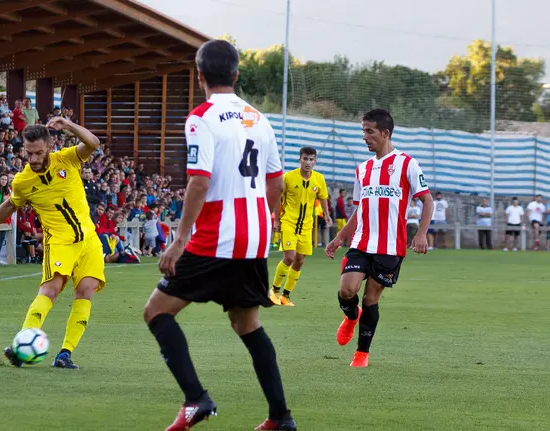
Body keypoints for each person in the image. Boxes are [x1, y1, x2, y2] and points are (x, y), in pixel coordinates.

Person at [141, 40, 295, 431]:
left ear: (199, 76)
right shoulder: (259, 119)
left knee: (157, 311)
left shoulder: (201, 118)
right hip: (255, 237)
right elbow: (276, 182)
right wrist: (266, 221)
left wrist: (178, 241)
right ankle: (280, 417)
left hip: (217, 237)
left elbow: (198, 181)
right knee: (247, 324)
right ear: (237, 74)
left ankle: (196, 400)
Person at [0, 119, 104, 370]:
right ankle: (21, 344)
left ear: (50, 146)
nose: (33, 158)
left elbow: (93, 143)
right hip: (60, 241)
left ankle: (65, 354)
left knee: (85, 292)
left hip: (88, 239)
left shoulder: (67, 159)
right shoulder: (22, 181)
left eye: (38, 153)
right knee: (51, 290)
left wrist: (68, 124)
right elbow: (9, 206)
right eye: (28, 153)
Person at [325, 109, 433, 368]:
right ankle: (351, 318)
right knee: (346, 289)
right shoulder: (362, 169)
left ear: (385, 133)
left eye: (369, 131)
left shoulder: (407, 164)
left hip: (390, 246)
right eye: (363, 131)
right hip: (361, 242)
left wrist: (420, 234)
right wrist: (340, 237)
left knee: (371, 298)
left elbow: (427, 201)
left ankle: (361, 354)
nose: (364, 137)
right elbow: (359, 208)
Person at [270, 146, 331, 307]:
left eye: (311, 159)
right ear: (300, 160)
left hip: (306, 227)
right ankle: (274, 290)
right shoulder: (288, 177)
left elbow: (323, 197)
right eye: (305, 159)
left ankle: (285, 295)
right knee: (289, 258)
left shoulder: (319, 179)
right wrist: (276, 221)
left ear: (315, 161)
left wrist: (327, 214)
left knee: (299, 261)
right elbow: (277, 198)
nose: (308, 162)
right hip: (289, 223)